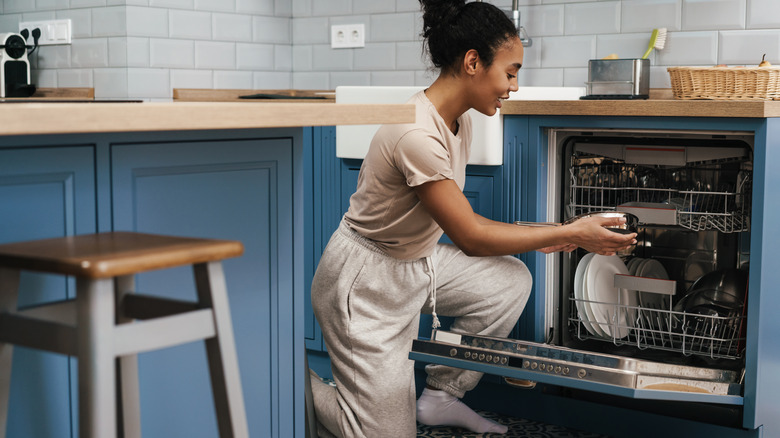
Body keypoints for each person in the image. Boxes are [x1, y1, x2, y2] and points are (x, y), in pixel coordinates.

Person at [309, 0, 637, 436]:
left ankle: (442, 396)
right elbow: (471, 237)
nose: (514, 87)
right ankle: (284, 378)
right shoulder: (416, 134)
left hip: (417, 264)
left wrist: (554, 234)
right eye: (511, 72)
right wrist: (568, 230)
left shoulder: (460, 119)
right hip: (366, 284)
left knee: (508, 280)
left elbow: (461, 217)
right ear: (472, 63)